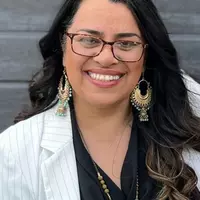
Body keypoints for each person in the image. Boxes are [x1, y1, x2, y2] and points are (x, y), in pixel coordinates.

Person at [0, 0, 200, 199]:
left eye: (127, 43)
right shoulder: (14, 151)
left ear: (145, 56)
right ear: (63, 47)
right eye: (89, 40)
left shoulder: (185, 120)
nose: (106, 58)